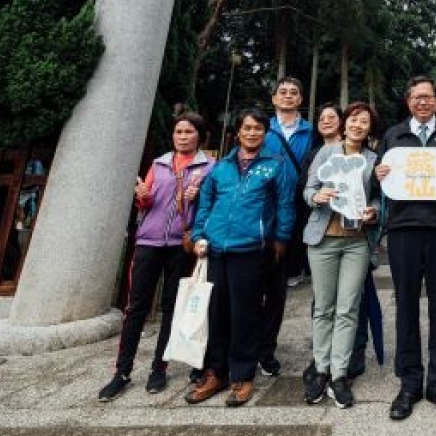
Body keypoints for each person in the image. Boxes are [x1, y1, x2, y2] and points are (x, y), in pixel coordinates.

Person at [374, 76, 436, 422]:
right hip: (403, 228)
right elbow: (378, 176)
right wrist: (380, 172)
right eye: (417, 98)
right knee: (405, 304)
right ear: (408, 102)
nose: (423, 103)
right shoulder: (393, 135)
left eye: (428, 97)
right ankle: (409, 384)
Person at [98, 112, 212, 402]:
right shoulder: (159, 164)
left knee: (172, 307)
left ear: (199, 135)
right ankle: (122, 372)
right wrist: (143, 196)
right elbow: (146, 201)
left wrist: (195, 197)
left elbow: (211, 205)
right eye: (178, 132)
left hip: (181, 245)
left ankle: (159, 368)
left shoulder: (209, 167)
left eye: (188, 132)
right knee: (135, 307)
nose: (182, 136)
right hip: (149, 241)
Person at [186, 108, 293, 407]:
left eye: (258, 128)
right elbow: (205, 204)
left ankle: (243, 375)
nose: (252, 133)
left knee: (244, 315)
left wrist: (281, 239)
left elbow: (285, 205)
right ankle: (216, 372)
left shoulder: (275, 165)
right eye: (247, 127)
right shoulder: (221, 167)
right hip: (217, 249)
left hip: (251, 249)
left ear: (265, 132)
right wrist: (198, 236)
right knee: (216, 313)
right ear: (237, 132)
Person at [302, 102, 381, 409]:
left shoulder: (373, 159)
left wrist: (373, 211)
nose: (358, 125)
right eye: (354, 120)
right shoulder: (326, 152)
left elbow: (376, 196)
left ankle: (339, 374)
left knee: (348, 308)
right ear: (344, 123)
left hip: (356, 242)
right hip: (323, 239)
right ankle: (320, 370)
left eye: (364, 122)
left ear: (369, 129)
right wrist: (316, 196)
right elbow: (308, 189)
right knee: (323, 307)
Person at [258, 77, 314, 377]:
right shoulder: (261, 128)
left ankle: (267, 349)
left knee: (277, 288)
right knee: (250, 286)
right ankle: (243, 345)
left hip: (292, 212)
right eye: (283, 92)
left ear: (301, 98)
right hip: (257, 211)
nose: (288, 96)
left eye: (294, 92)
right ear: (274, 97)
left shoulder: (311, 132)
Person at [289, 103, 343, 288]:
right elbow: (304, 189)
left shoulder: (353, 149)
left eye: (331, 117)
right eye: (321, 119)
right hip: (318, 226)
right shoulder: (312, 154)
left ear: (341, 122)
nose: (326, 121)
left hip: (348, 229)